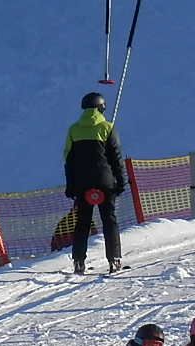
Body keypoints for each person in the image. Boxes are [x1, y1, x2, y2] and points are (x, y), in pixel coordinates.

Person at [64, 91, 127, 275]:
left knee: (82, 222)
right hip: (105, 182)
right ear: (101, 108)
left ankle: (78, 261)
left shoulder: (74, 130)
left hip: (82, 184)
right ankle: (114, 260)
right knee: (109, 220)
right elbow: (116, 158)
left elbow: (68, 160)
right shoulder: (107, 127)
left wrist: (70, 185)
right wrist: (121, 181)